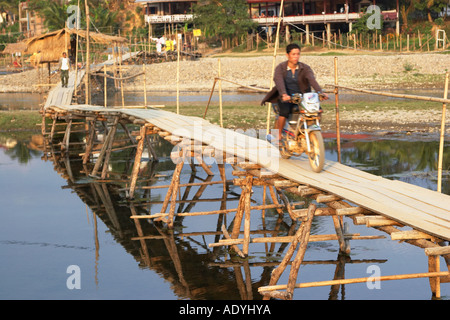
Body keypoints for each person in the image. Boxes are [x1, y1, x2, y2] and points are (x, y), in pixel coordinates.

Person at [261, 43, 328, 143]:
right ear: (287, 55)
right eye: (293, 54)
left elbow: (312, 79)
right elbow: (278, 81)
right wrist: (284, 94)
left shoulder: (305, 68)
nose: (296, 56)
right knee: (283, 112)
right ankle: (278, 135)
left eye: (298, 54)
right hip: (287, 98)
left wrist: (320, 92)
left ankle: (310, 130)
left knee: (318, 110)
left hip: (303, 97)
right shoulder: (281, 68)